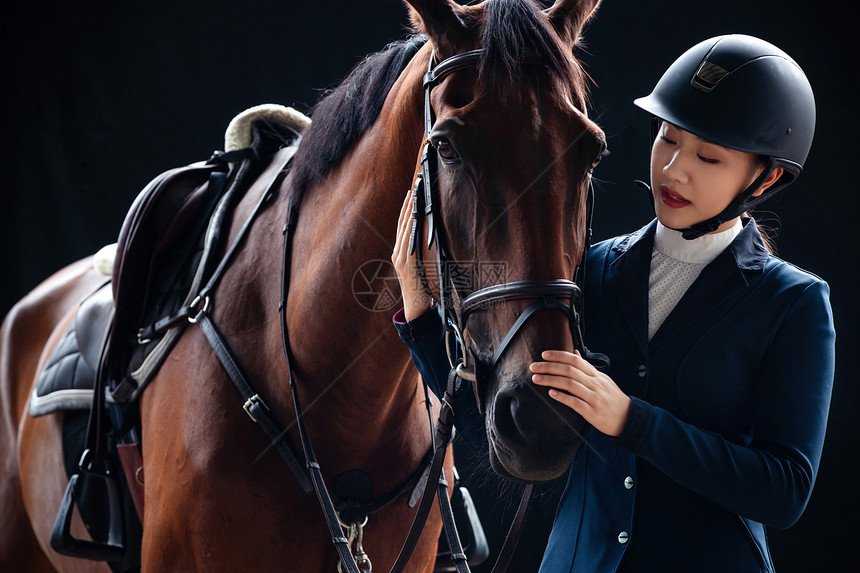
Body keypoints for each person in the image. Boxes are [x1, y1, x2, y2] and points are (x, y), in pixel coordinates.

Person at [391, 34, 835, 572]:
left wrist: (631, 419)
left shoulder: (795, 303)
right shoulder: (593, 271)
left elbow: (785, 492)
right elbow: (492, 424)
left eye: (709, 157)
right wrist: (418, 315)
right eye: (667, 139)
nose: (674, 170)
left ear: (766, 178)